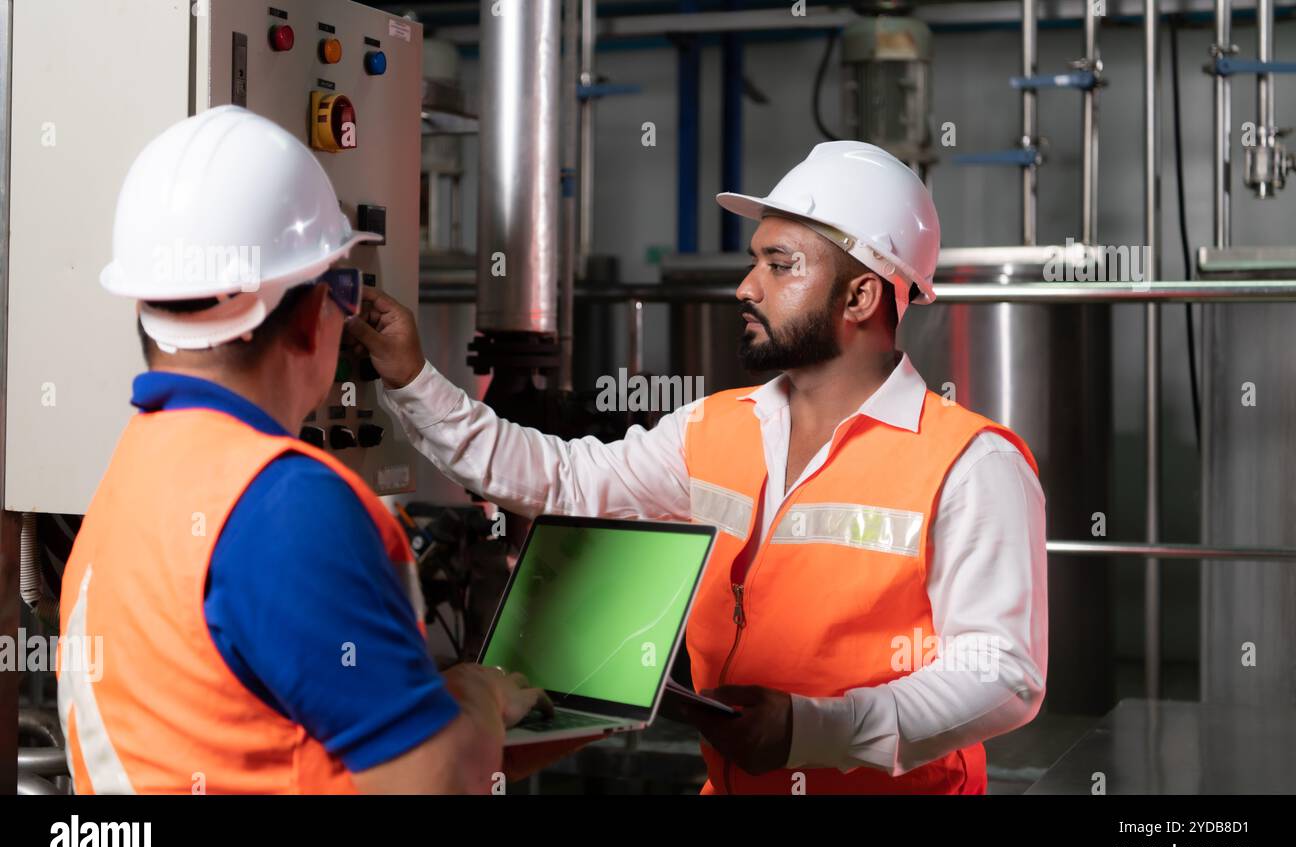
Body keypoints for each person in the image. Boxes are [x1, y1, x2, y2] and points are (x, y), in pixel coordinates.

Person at [348, 141, 1049, 795]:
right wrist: (413, 378)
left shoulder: (968, 463)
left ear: (860, 297)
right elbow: (560, 478)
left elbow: (1002, 675)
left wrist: (814, 728)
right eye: (754, 261)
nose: (746, 287)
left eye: (780, 265)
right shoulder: (716, 425)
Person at [57, 105, 549, 795]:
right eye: (344, 288)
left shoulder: (128, 475)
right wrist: (477, 697)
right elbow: (432, 782)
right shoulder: (287, 501)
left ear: (145, 307)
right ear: (312, 319)